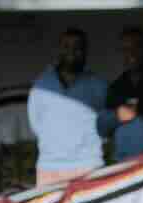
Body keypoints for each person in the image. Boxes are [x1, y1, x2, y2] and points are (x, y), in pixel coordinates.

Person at [29, 28, 109, 186]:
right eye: (66, 46)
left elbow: (107, 124)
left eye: (77, 47)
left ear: (85, 51)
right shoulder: (41, 85)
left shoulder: (99, 86)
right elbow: (36, 125)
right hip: (50, 169)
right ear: (59, 49)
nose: (72, 51)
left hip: (89, 167)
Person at [99, 25, 143, 162]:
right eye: (126, 50)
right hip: (125, 165)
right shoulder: (117, 86)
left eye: (136, 48)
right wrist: (117, 116)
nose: (131, 53)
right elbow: (102, 127)